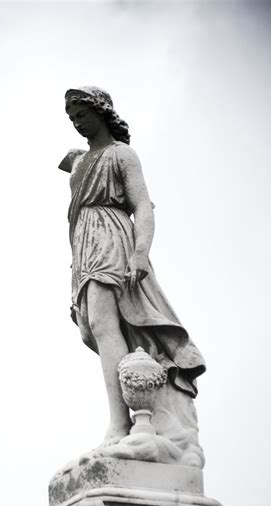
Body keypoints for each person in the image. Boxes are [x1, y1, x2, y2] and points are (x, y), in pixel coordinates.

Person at [59, 86, 206, 450]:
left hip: (112, 235)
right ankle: (128, 415)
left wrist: (141, 252)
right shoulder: (79, 163)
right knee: (92, 328)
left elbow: (142, 205)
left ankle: (120, 422)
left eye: (82, 115)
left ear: (102, 113)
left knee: (103, 324)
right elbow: (70, 167)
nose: (77, 123)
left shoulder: (122, 154)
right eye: (72, 118)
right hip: (84, 244)